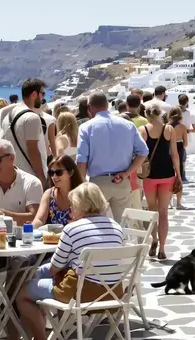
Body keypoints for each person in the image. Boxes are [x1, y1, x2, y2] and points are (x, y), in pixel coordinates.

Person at [15, 183, 125, 340]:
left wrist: (39, 274)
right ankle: (42, 338)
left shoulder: (72, 229)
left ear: (81, 205)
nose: (71, 210)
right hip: (113, 294)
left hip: (80, 294)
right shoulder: (116, 228)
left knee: (23, 293)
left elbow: (54, 267)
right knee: (40, 279)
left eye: (73, 205)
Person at [75, 91, 148, 222]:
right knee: (123, 225)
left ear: (89, 107)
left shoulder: (86, 127)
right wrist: (127, 173)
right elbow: (143, 152)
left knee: (97, 224)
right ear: (107, 105)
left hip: (97, 182)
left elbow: (81, 160)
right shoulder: (128, 125)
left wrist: (82, 185)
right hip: (121, 180)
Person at [140, 104, 182, 260]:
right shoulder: (169, 129)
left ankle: (154, 240)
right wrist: (178, 173)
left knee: (152, 210)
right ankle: (162, 248)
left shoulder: (143, 131)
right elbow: (175, 154)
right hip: (167, 174)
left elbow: (140, 154)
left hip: (150, 176)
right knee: (164, 213)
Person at [0, 139, 44, 225]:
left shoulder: (32, 183)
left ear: (11, 158)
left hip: (21, 237)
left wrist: (1, 213)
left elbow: (34, 217)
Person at [2, 78, 50, 187]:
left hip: (13, 175)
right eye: (42, 94)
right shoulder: (32, 118)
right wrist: (42, 178)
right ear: (34, 94)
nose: (43, 98)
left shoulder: (8, 116)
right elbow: (33, 150)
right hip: (30, 178)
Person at [32, 155, 83, 228]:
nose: (54, 177)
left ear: (71, 173)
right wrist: (30, 231)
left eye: (59, 172)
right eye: (51, 173)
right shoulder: (49, 194)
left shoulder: (82, 195)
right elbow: (39, 220)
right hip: (54, 238)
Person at [167, 107, 189, 209]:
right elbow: (186, 143)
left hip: (167, 151)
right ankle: (178, 203)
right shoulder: (182, 127)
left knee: (168, 176)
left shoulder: (166, 127)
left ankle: (168, 201)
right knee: (178, 176)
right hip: (179, 150)